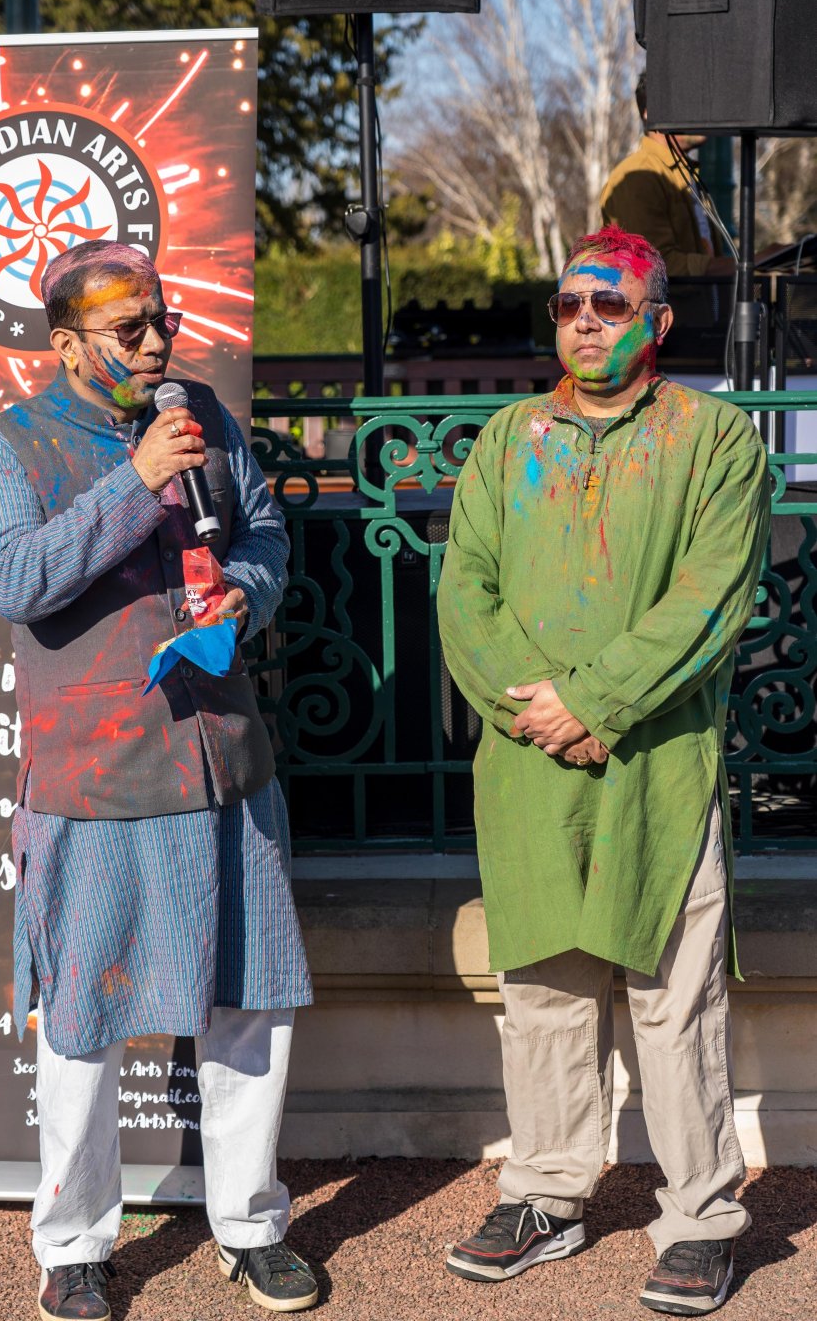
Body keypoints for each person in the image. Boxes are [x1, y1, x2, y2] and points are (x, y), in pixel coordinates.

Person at [0, 240, 318, 1321]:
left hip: (223, 758)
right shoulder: (10, 445)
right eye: (130, 329)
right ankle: (73, 1245)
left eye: (161, 320)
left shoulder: (198, 410)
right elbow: (18, 579)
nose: (157, 341)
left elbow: (263, 534)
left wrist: (243, 602)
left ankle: (251, 1223)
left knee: (250, 1004)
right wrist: (138, 480)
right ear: (65, 343)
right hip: (96, 777)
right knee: (84, 1014)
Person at [437, 227, 770, 1316]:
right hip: (528, 758)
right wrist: (535, 707)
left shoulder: (716, 441)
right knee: (539, 988)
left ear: (658, 322)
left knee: (673, 996)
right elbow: (465, 591)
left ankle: (701, 1216)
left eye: (611, 304)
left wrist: (596, 701)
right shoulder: (503, 437)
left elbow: (708, 599)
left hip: (656, 760)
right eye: (571, 302)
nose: (585, 319)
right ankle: (544, 1192)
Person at [600, 72, 728, 277]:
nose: (702, 111)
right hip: (671, 310)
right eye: (687, 102)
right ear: (650, 113)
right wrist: (745, 266)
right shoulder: (637, 177)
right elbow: (651, 267)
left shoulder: (686, 174)